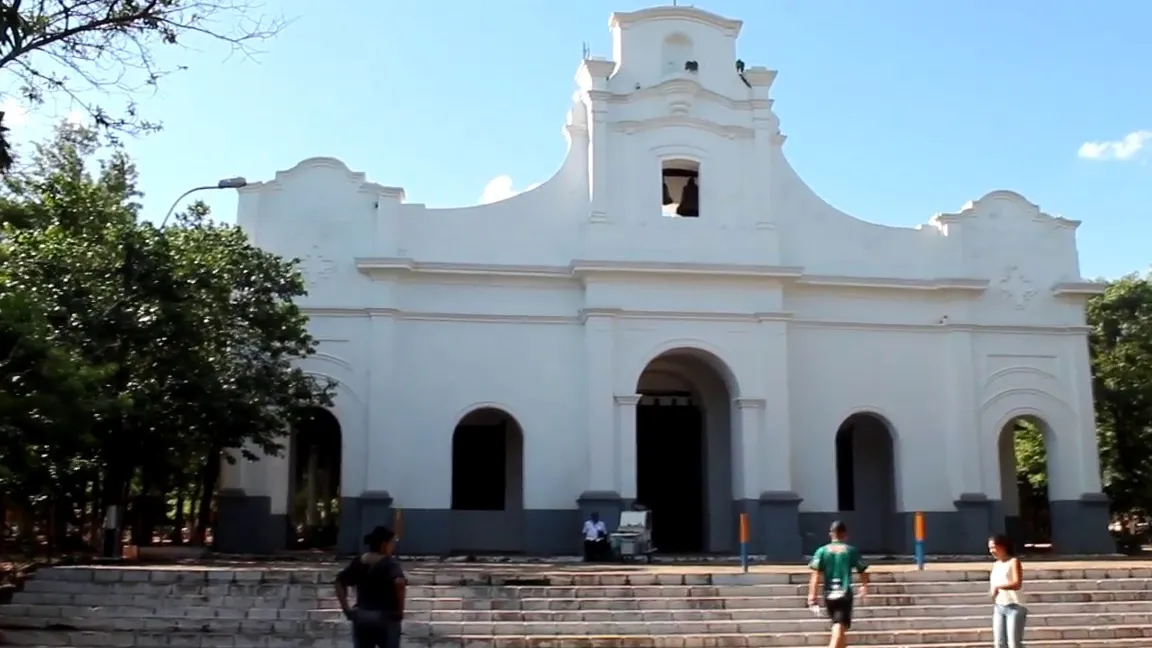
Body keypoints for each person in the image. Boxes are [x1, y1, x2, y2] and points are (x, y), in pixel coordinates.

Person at [334, 526, 406, 648]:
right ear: (384, 544)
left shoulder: (359, 561)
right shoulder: (390, 564)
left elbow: (339, 581)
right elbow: (399, 584)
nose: (393, 546)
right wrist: (399, 610)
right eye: (392, 542)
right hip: (386, 617)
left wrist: (346, 608)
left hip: (362, 617)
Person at [806, 520, 869, 648]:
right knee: (839, 624)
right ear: (845, 534)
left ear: (831, 534)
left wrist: (812, 595)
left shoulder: (821, 551)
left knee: (840, 626)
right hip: (844, 593)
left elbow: (815, 574)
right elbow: (862, 569)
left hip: (829, 594)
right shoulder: (851, 551)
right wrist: (864, 585)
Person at [988, 534, 1027, 648]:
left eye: (993, 547)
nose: (991, 551)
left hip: (1015, 607)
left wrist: (999, 587)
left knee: (1014, 643)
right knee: (999, 643)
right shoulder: (996, 565)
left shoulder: (1013, 562)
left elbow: (1017, 583)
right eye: (990, 548)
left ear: (1003, 546)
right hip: (1000, 606)